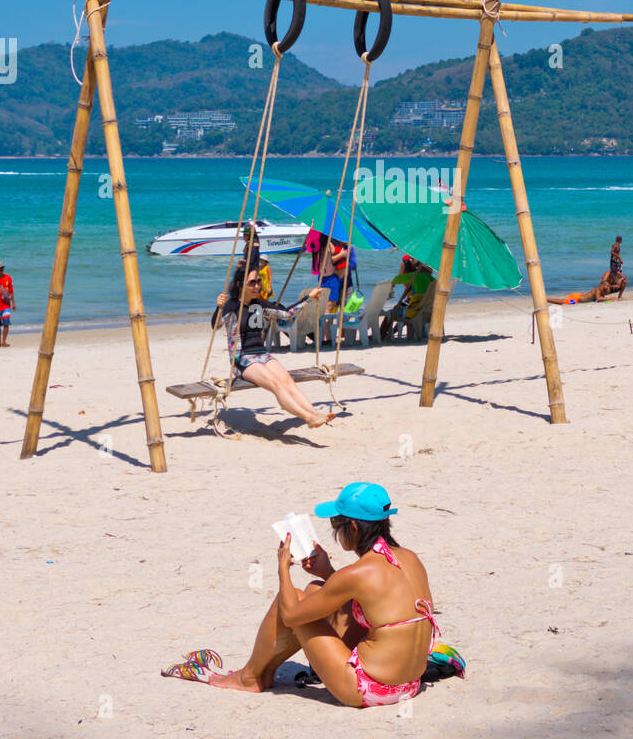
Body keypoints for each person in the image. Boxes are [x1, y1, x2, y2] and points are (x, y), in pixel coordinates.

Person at [170, 483, 439, 709]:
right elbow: (374, 596)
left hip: (370, 689)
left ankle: (249, 677)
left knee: (294, 598)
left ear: (354, 528)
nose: (334, 531)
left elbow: (290, 615)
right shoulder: (409, 558)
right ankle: (265, 673)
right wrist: (328, 572)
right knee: (315, 589)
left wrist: (282, 568)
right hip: (410, 684)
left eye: (336, 523)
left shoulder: (358, 572)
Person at [213, 266, 333, 428]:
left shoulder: (260, 304)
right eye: (252, 283)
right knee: (276, 385)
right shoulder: (232, 306)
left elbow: (287, 314)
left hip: (262, 355)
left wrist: (308, 298)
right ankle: (308, 417)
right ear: (240, 285)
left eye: (258, 281)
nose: (257, 286)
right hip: (242, 358)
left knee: (288, 382)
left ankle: (314, 413)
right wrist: (218, 307)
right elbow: (215, 326)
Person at [547, 283, 615, 305]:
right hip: (576, 299)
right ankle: (546, 299)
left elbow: (599, 299)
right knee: (562, 302)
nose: (606, 295)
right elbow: (598, 299)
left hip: (578, 295)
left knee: (563, 301)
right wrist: (610, 298)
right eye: (606, 293)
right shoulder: (597, 290)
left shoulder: (599, 290)